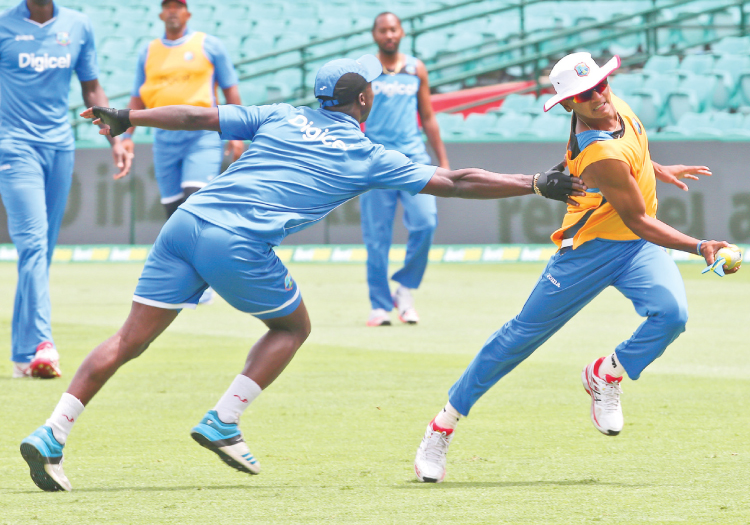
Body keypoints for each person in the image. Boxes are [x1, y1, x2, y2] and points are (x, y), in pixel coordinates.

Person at [19, 54, 585, 492]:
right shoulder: (367, 154)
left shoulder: (282, 114)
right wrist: (534, 183)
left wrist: (125, 116)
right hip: (236, 242)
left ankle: (52, 434)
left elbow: (194, 114)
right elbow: (457, 180)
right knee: (292, 329)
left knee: (126, 340)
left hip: (186, 223)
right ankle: (223, 420)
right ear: (365, 99)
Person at [412, 51, 742, 484]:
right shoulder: (598, 151)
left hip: (635, 251)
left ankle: (607, 373)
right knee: (519, 337)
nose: (598, 96)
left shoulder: (615, 106)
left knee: (672, 314)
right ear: (570, 105)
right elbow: (638, 217)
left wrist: (657, 168)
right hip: (588, 250)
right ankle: (442, 425)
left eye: (600, 84)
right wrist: (701, 246)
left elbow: (632, 153)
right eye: (585, 94)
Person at [0, 0, 131, 379]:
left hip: (60, 148)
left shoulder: (79, 25)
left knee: (41, 252)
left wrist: (115, 139)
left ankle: (24, 357)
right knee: (33, 244)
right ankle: (43, 343)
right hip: (14, 147)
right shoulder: (3, 25)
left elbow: (91, 87)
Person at [122, 0, 243, 305]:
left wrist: (237, 132)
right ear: (161, 13)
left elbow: (230, 90)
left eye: (179, 5)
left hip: (201, 134)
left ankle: (207, 279)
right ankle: (186, 280)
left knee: (195, 201)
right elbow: (137, 97)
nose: (173, 10)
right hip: (164, 139)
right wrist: (127, 137)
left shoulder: (209, 46)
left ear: (187, 12)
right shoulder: (148, 51)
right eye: (167, 5)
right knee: (173, 212)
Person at [360, 12, 450, 327]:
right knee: (377, 237)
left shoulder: (416, 68)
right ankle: (379, 306)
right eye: (383, 30)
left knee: (426, 222)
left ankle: (406, 290)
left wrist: (443, 162)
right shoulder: (365, 70)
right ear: (374, 34)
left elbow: (428, 116)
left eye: (393, 29)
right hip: (375, 161)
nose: (389, 35)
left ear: (401, 32)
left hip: (414, 159)